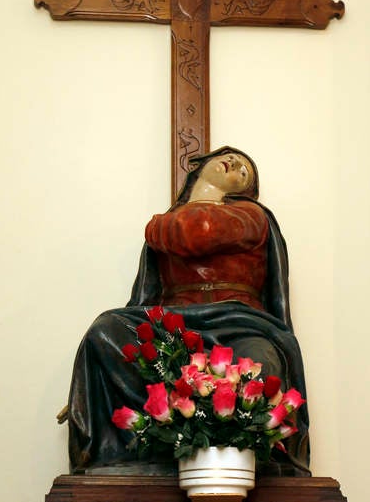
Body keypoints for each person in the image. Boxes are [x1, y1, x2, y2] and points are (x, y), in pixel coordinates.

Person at [68, 147, 310, 474]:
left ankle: (232, 458)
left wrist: (161, 223)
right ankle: (139, 448)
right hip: (174, 327)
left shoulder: (251, 215)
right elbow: (145, 294)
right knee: (105, 331)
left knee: (262, 368)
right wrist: (91, 385)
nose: (235, 165)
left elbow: (198, 232)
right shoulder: (167, 223)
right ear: (198, 165)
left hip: (239, 324)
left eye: (244, 172)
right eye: (229, 159)